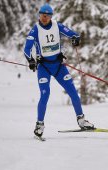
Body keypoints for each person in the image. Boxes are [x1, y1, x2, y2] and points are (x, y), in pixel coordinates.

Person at [24, 3, 94, 138]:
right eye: (42, 15)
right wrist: (31, 61)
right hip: (43, 67)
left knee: (73, 92)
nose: (44, 18)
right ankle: (39, 125)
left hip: (59, 66)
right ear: (39, 15)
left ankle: (81, 120)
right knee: (45, 95)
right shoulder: (35, 30)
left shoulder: (57, 25)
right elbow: (27, 49)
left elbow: (73, 34)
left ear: (51, 16)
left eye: (47, 15)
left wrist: (76, 38)